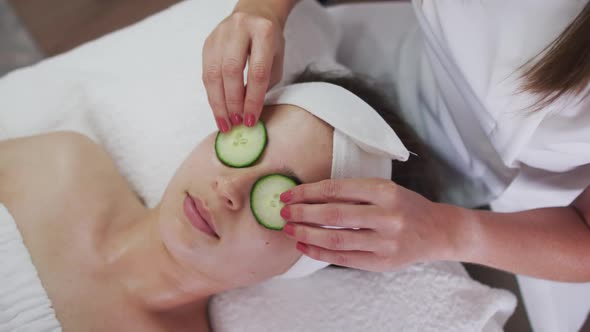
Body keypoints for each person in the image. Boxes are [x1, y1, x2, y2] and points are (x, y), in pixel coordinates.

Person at [202, 0, 590, 329]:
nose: (228, 191)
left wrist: (448, 231)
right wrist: (262, 9)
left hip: (515, 199)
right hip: (395, 48)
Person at [0, 70, 437, 330]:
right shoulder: (60, 167)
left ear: (309, 259)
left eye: (280, 199)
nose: (230, 189)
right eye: (247, 144)